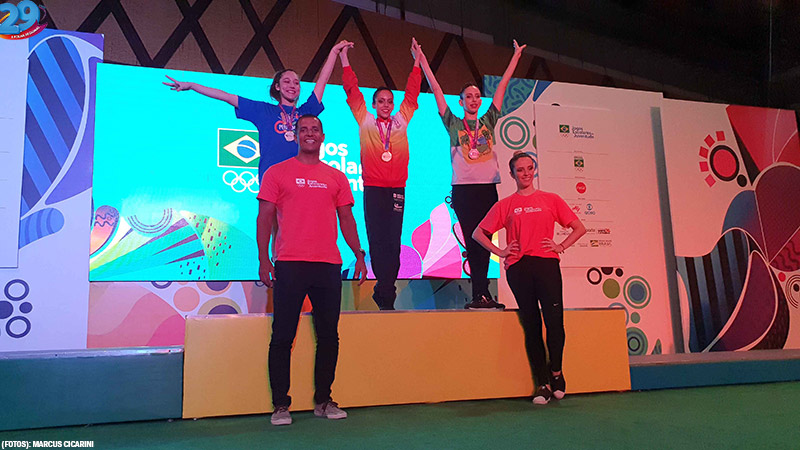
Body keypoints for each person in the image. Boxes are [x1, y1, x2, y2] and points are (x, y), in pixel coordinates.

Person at [256, 114, 368, 425]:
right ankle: (281, 405)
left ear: (322, 137)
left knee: (329, 336)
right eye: (303, 129)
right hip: (289, 263)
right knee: (282, 336)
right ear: (296, 136)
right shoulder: (276, 173)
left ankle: (324, 400)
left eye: (314, 130)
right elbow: (264, 217)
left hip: (328, 265)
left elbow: (347, 219)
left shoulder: (337, 177)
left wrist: (358, 253)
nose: (309, 134)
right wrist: (264, 259)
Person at [418, 39, 527, 310]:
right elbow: (436, 89)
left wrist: (516, 56)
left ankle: (482, 295)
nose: (474, 99)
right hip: (464, 191)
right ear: (461, 101)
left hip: (487, 189)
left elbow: (502, 87)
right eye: (469, 96)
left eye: (477, 96)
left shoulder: (488, 120)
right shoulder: (453, 123)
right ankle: (479, 294)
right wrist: (422, 60)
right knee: (472, 240)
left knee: (485, 241)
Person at [472, 152, 586, 405]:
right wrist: (501, 252)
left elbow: (579, 227)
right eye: (520, 170)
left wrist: (560, 246)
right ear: (512, 174)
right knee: (532, 325)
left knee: (554, 322)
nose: (526, 173)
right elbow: (478, 233)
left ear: (534, 170)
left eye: (529, 168)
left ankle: (557, 373)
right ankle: (542, 384)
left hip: (547, 265)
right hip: (519, 268)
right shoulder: (505, 205)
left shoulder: (551, 199)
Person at [163, 40, 354, 182]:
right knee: (273, 224)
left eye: (296, 83)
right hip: (272, 180)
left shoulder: (306, 113)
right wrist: (192, 86)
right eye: (287, 81)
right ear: (277, 87)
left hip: (300, 179)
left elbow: (322, 81)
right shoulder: (263, 110)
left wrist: (333, 53)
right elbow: (226, 96)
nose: (292, 86)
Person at [338, 38, 423, 310]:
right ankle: (385, 292)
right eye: (381, 101)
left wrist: (417, 61)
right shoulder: (365, 120)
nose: (386, 105)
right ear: (373, 104)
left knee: (393, 242)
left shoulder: (401, 120)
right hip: (374, 189)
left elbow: (412, 94)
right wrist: (344, 58)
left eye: (389, 101)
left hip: (397, 189)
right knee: (377, 241)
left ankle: (386, 290)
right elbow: (352, 90)